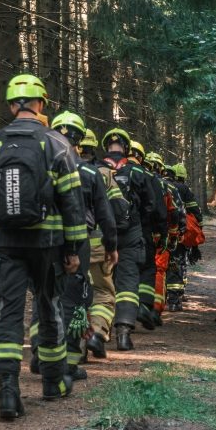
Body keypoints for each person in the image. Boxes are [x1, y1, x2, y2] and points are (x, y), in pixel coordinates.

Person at [0, 75, 86, 419]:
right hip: (46, 243)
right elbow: (72, 202)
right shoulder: (57, 143)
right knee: (49, 307)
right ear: (41, 105)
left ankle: (8, 390)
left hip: (3, 242)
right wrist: (73, 250)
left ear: (12, 106)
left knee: (8, 312)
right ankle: (53, 382)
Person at [28, 112, 117, 381]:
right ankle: (67, 362)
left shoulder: (41, 167)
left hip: (42, 240)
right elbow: (105, 214)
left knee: (42, 295)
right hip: (78, 242)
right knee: (73, 300)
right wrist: (111, 245)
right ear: (79, 140)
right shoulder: (89, 171)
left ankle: (39, 352)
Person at [100, 129, 157, 351]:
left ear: (106, 146)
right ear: (126, 148)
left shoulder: (95, 168)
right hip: (131, 233)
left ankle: (99, 332)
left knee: (100, 282)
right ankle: (123, 334)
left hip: (100, 234)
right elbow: (150, 205)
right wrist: (134, 220)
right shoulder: (138, 171)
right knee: (128, 281)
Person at [80, 131, 129, 358]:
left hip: (65, 247)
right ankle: (97, 334)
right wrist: (112, 242)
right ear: (93, 149)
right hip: (97, 246)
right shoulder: (103, 173)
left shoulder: (56, 170)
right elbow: (118, 209)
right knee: (102, 293)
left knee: (71, 294)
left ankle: (75, 347)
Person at [129, 141, 168, 331]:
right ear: (141, 157)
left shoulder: (109, 172)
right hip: (143, 229)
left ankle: (122, 316)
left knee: (123, 271)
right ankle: (144, 306)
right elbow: (159, 209)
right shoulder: (149, 177)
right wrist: (162, 234)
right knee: (147, 267)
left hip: (112, 231)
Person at [145, 152, 182, 324]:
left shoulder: (134, 178)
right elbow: (173, 213)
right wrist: (173, 235)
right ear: (159, 167)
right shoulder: (165, 186)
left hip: (136, 236)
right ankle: (155, 309)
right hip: (159, 237)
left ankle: (134, 309)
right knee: (159, 271)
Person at [164, 164, 203, 310]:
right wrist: (194, 240)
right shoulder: (183, 189)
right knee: (177, 262)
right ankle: (175, 298)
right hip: (176, 232)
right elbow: (193, 211)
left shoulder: (156, 184)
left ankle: (160, 296)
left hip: (157, 233)